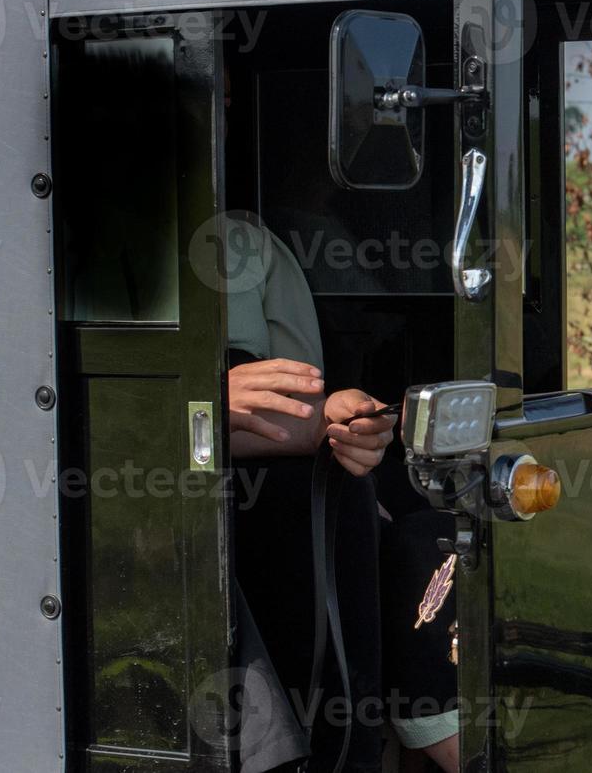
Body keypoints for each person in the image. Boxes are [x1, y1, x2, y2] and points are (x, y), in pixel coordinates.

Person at [221, 212, 459, 773]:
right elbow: (220, 406)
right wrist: (326, 428)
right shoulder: (223, 238)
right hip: (249, 510)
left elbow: (245, 406)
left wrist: (341, 427)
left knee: (437, 521)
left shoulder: (269, 233)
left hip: (295, 484)